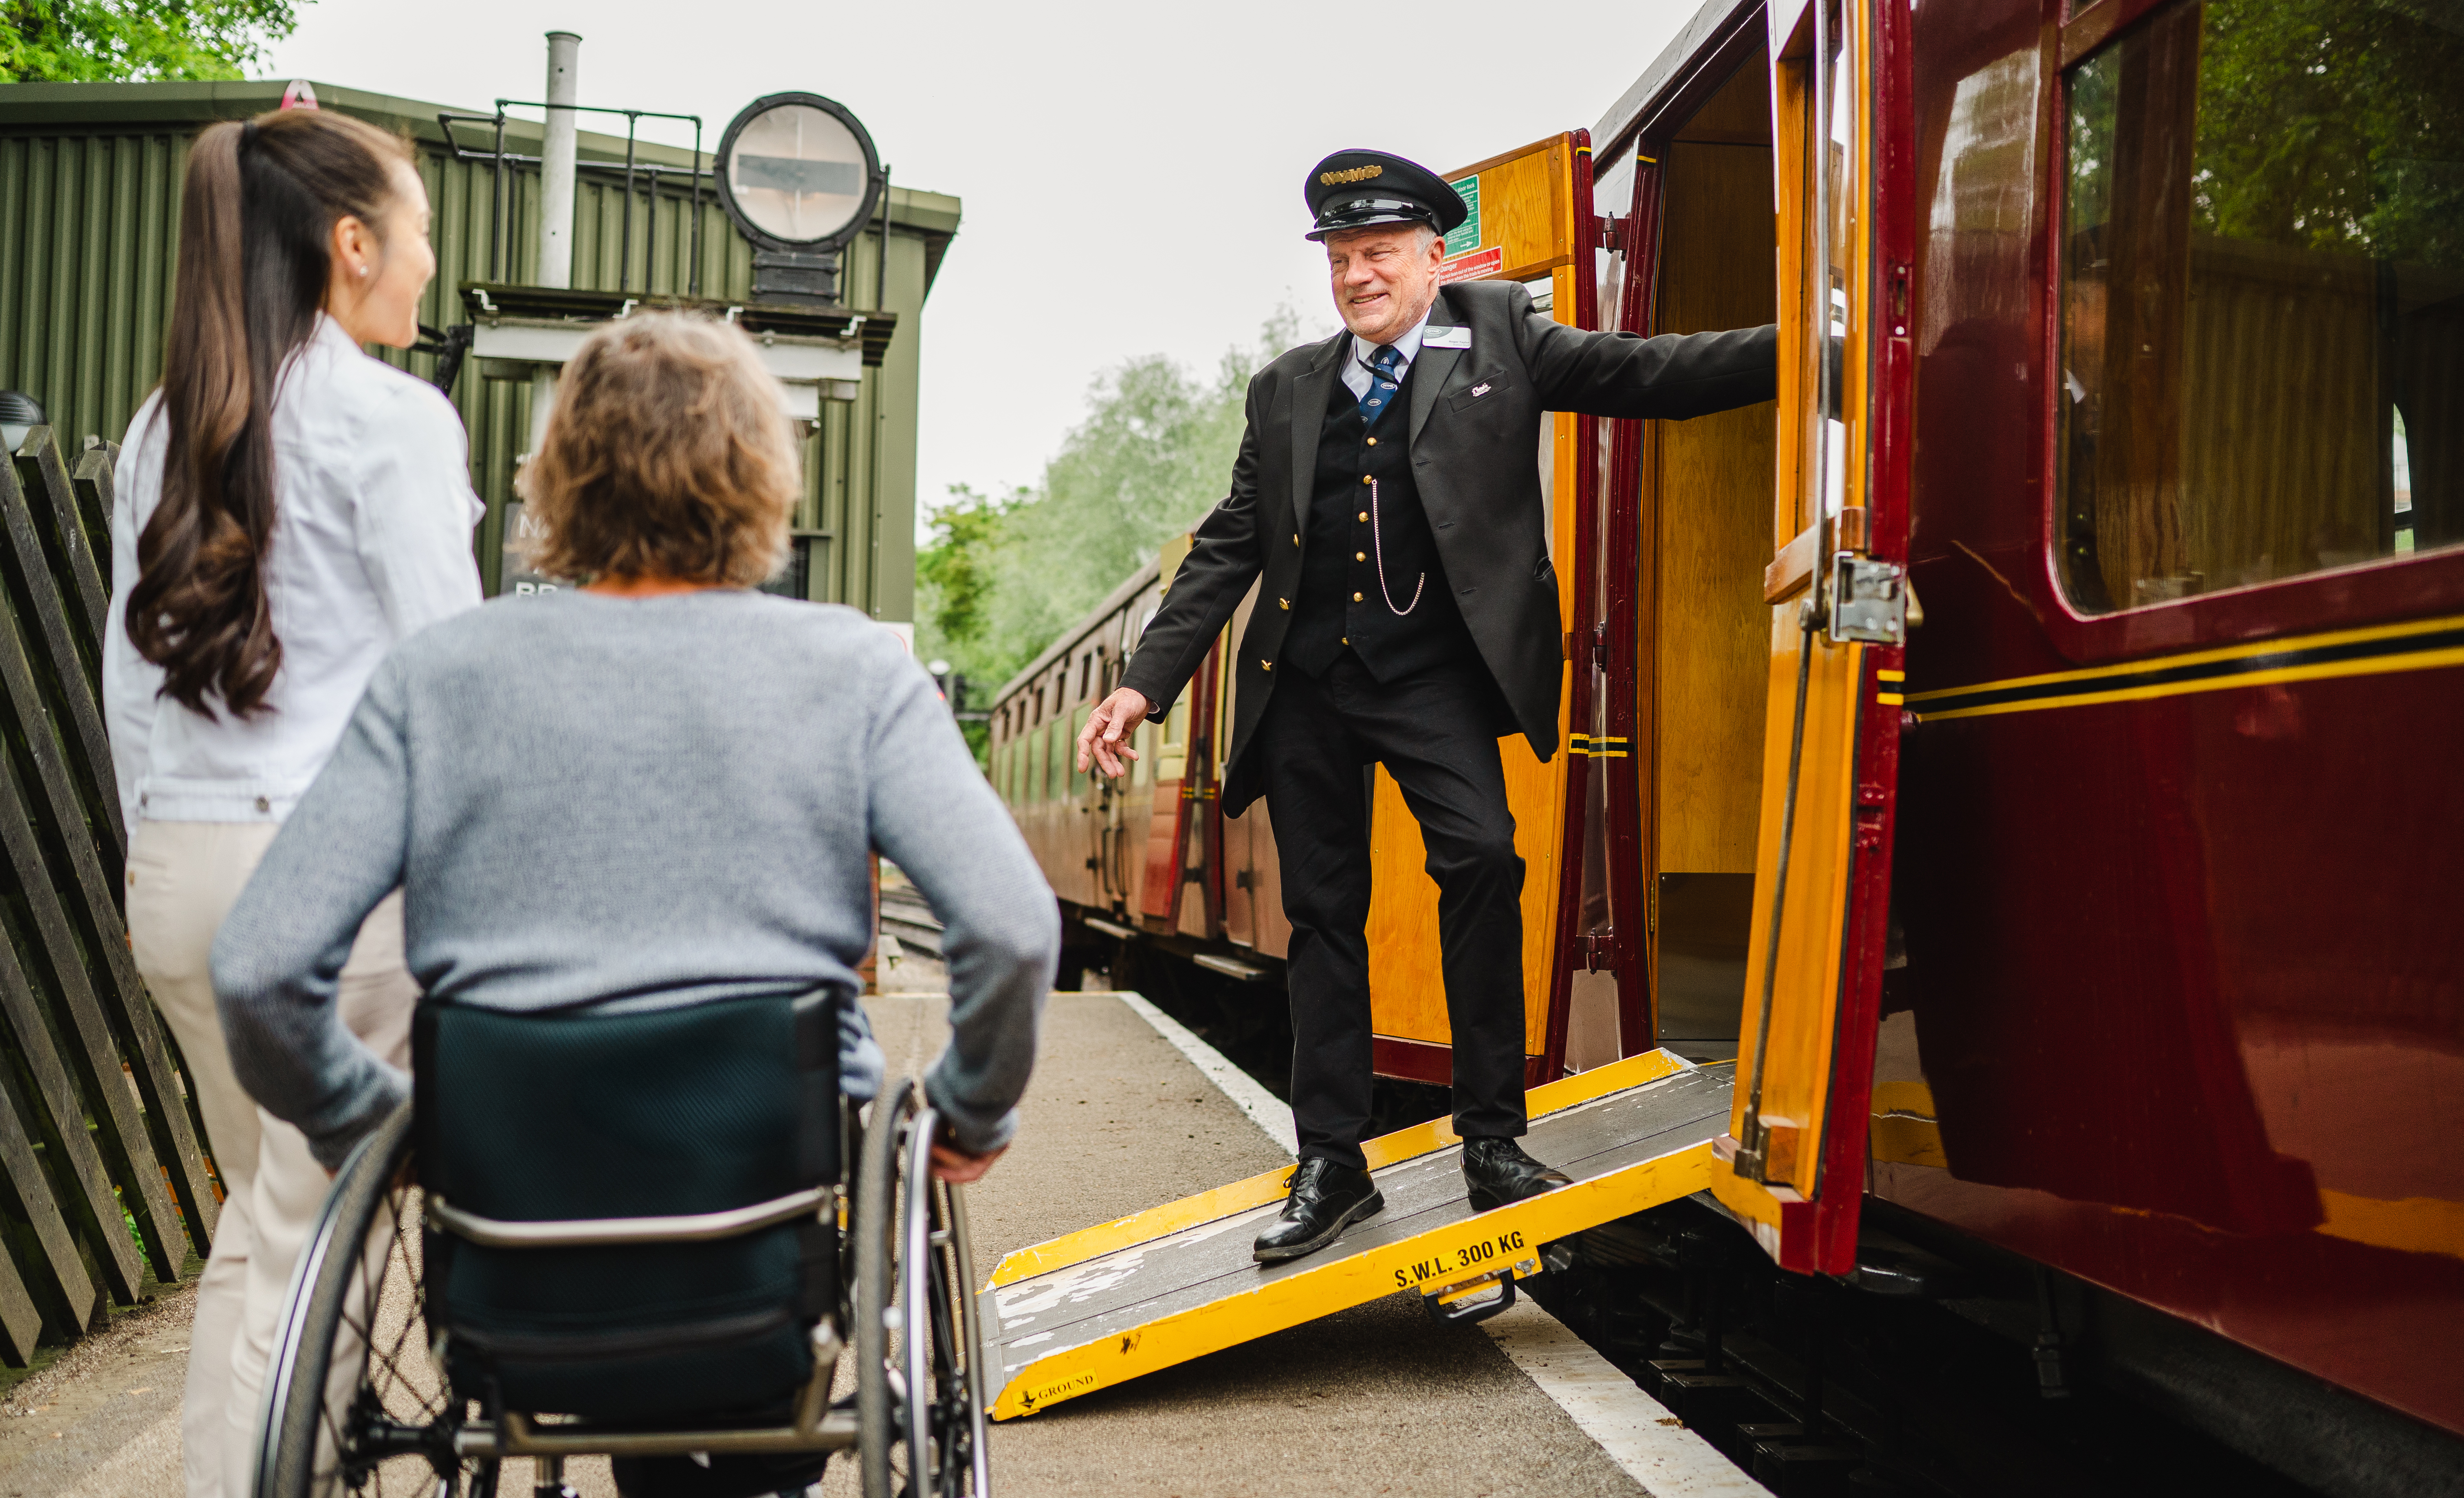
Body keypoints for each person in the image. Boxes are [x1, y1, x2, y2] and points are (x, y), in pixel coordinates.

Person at [210, 312, 1057, 1497]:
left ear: (559, 480)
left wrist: (373, 1125)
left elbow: (258, 967)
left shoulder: (438, 678)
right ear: (762, 474)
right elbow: (1014, 932)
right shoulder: (853, 673)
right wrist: (972, 1109)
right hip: (769, 1218)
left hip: (511, 1237)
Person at [1077, 150, 1778, 1264]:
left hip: (1434, 679)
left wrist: (1816, 350)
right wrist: (1139, 684)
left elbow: (1650, 374)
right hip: (1308, 683)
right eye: (1342, 258)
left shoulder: (1501, 336)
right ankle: (1331, 1164)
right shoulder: (1288, 388)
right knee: (1322, 917)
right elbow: (1227, 549)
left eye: (1379, 253)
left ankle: (1494, 1140)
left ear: (1430, 257)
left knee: (1484, 862)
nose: (1359, 275)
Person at [101, 106, 486, 1498]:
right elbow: (450, 683)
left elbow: (123, 689)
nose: (430, 263)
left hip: (182, 869)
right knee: (329, 1231)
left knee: (261, 1231)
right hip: (328, 885)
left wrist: (159, 850)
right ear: (350, 241)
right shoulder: (390, 422)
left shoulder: (163, 427)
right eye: (422, 230)